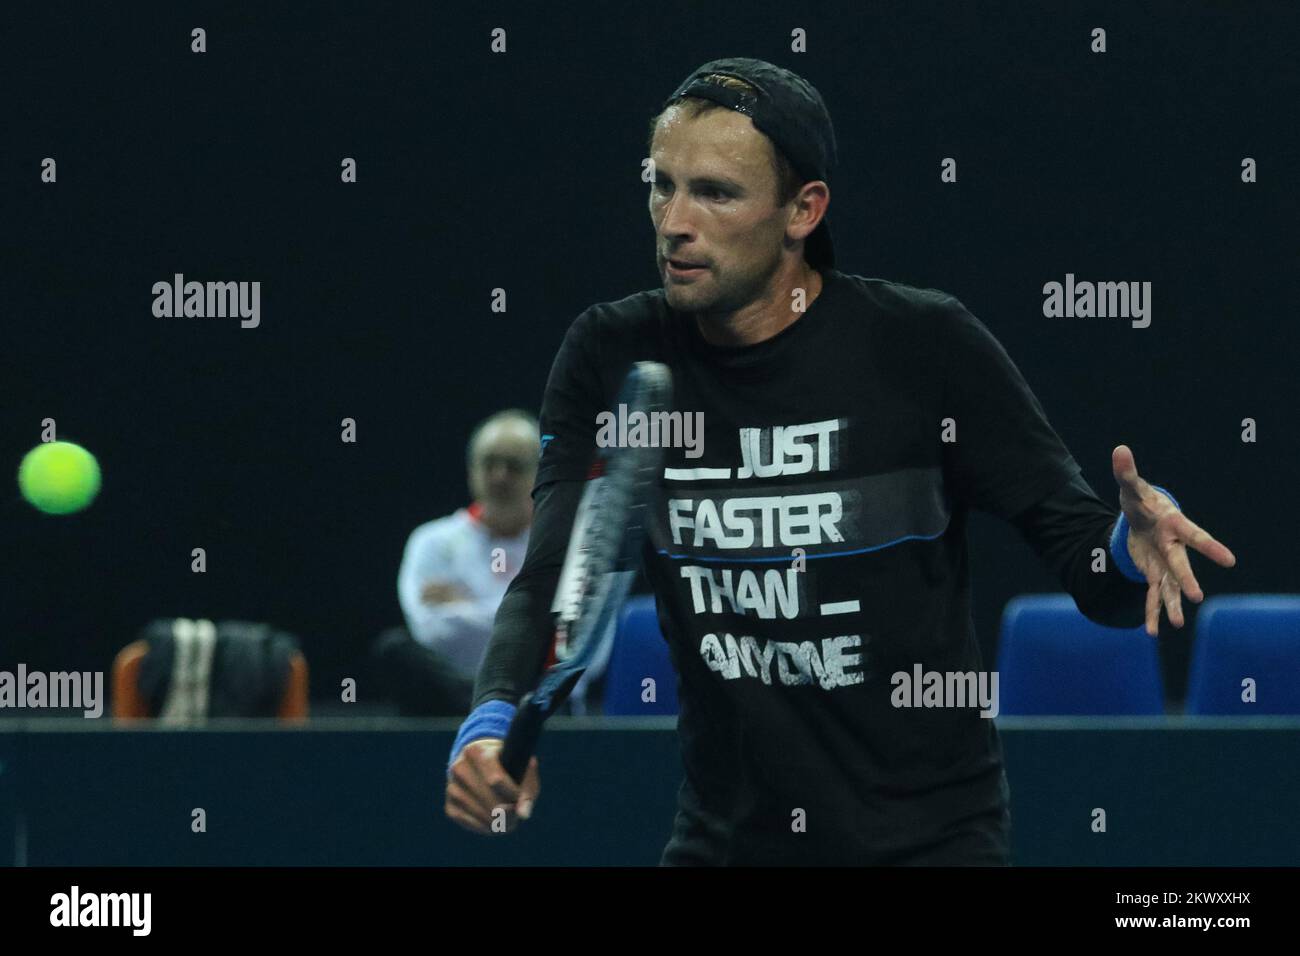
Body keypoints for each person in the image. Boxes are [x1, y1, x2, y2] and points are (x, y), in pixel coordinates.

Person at [444, 58, 1237, 864]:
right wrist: (490, 720)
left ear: (803, 210)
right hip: (725, 843)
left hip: (929, 846)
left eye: (715, 193)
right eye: (662, 184)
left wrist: (1124, 548)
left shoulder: (923, 345)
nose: (674, 221)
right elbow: (551, 576)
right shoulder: (610, 353)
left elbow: (1089, 570)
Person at [373, 410, 538, 716]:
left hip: (534, 693)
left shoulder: (561, 542)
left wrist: (464, 605)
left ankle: (491, 709)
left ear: (540, 473)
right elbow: (431, 633)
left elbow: (576, 643)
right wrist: (528, 614)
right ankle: (490, 709)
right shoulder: (431, 541)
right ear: (471, 470)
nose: (500, 476)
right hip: (450, 698)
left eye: (514, 466)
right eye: (489, 463)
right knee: (395, 649)